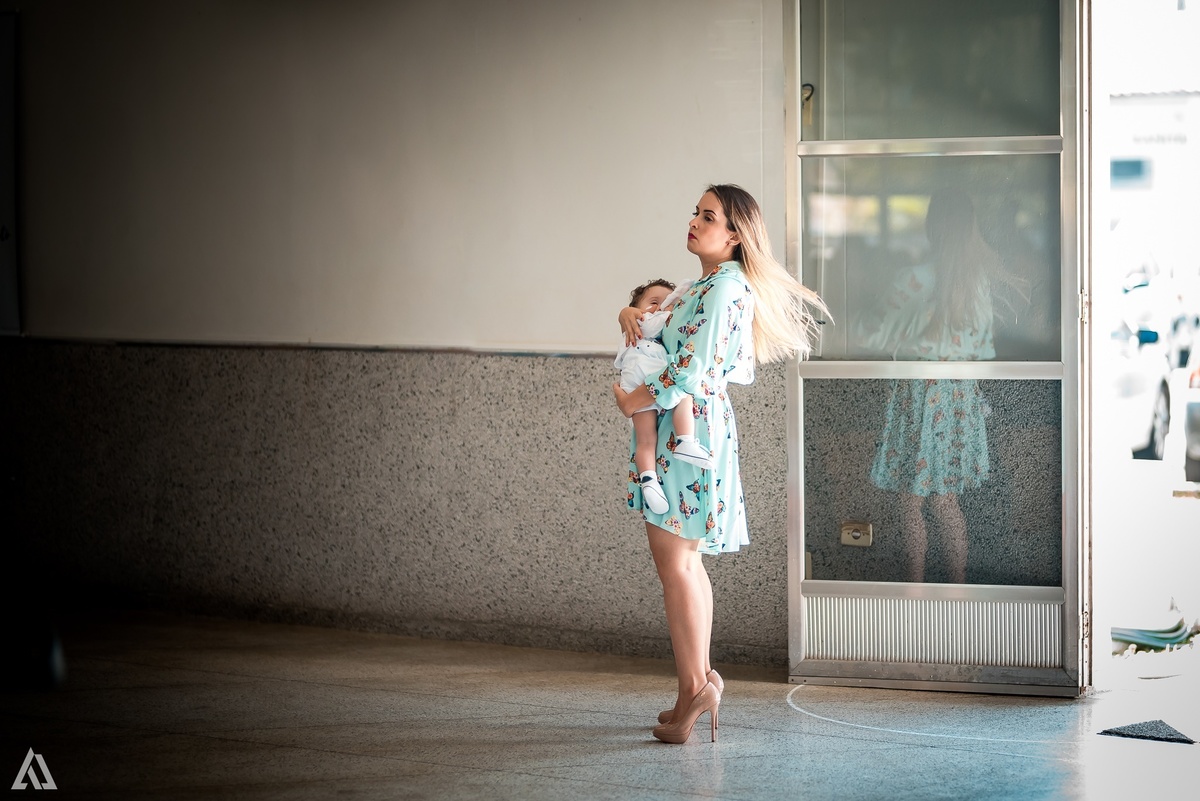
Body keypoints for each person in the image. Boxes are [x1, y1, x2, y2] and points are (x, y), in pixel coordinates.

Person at [612, 184, 826, 743]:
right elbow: (659, 329)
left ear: (734, 236)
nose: (694, 221)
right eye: (695, 212)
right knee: (687, 562)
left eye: (707, 217)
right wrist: (629, 311)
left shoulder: (723, 288)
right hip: (692, 421)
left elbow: (691, 368)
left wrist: (636, 401)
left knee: (675, 564)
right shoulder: (705, 284)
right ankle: (693, 686)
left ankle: (694, 693)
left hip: (689, 424)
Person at [858, 189, 996, 584]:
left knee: (910, 502)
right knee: (947, 502)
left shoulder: (914, 279)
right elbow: (984, 350)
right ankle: (958, 584)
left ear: (931, 227)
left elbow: (871, 334)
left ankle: (915, 587)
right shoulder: (977, 284)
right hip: (958, 397)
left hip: (918, 396)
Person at [615, 278, 713, 514]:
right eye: (653, 302)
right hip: (644, 376)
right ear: (636, 308)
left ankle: (648, 480)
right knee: (683, 393)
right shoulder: (643, 325)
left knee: (646, 439)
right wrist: (670, 306)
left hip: (637, 384)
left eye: (666, 302)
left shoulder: (648, 333)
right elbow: (656, 323)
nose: (659, 308)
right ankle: (685, 440)